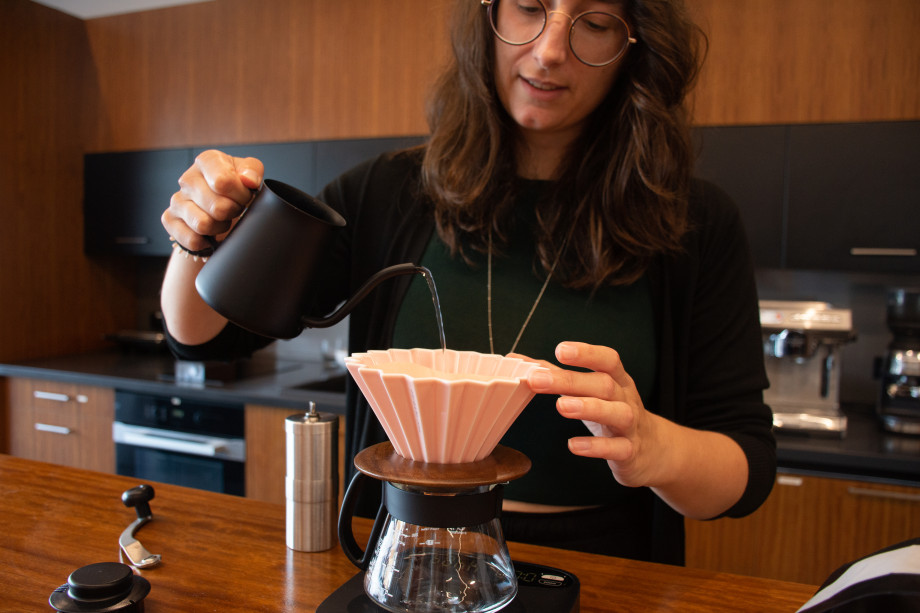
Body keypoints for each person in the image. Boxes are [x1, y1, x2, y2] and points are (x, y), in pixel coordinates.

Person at [160, 0, 775, 565]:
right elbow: (206, 338)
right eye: (530, 7)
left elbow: (745, 470)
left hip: (605, 573)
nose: (551, 48)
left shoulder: (694, 219)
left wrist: (654, 448)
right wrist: (198, 236)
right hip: (400, 561)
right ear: (489, 18)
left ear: (633, 47)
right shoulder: (384, 192)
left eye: (593, 22)